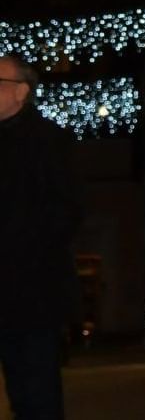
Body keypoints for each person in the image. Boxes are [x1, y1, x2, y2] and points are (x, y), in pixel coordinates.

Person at [0, 55, 82, 420]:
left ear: (21, 92)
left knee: (35, 394)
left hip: (30, 293)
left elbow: (64, 215)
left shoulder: (49, 141)